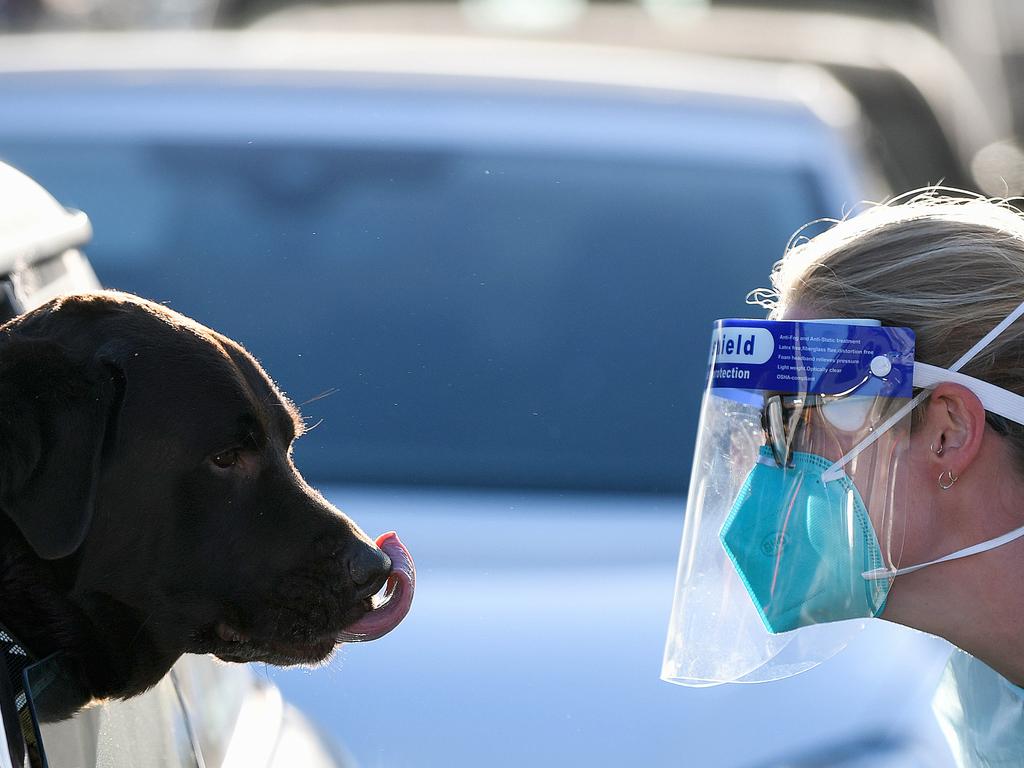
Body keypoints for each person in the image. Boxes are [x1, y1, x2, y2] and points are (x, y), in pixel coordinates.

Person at [661, 191, 1024, 768]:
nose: (766, 458)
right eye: (766, 420)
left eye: (800, 411)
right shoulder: (993, 696)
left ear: (947, 431)